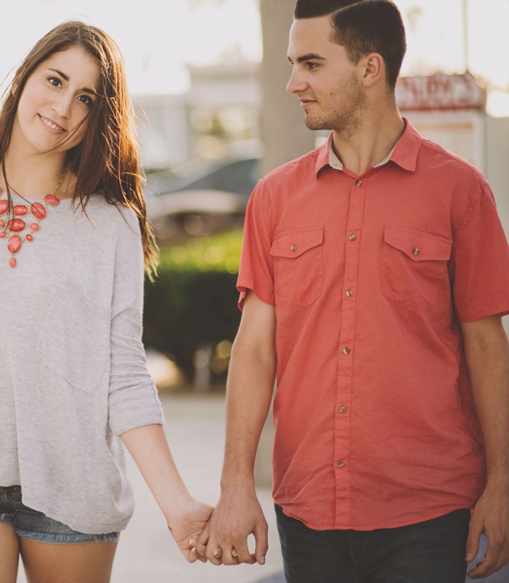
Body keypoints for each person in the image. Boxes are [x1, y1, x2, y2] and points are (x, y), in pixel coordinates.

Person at [197, 1, 509, 581]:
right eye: (293, 64)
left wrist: (503, 484)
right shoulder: (274, 197)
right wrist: (235, 484)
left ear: (370, 68)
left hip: (429, 509)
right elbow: (254, 348)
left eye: (312, 64)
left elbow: (487, 346)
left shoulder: (461, 192)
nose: (294, 83)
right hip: (309, 509)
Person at [0, 21, 212, 583]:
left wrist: (178, 502)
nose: (63, 106)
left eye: (85, 97)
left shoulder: (111, 222)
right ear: (21, 79)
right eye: (55, 80)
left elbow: (124, 372)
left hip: (72, 481)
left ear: (99, 116)